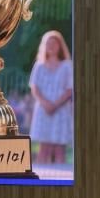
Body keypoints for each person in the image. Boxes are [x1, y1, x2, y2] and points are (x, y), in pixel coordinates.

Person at [29, 30, 73, 164]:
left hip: (61, 111)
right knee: (44, 148)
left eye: (54, 43)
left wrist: (55, 105)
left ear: (60, 45)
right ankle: (42, 176)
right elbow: (34, 88)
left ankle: (61, 176)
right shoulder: (39, 65)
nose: (51, 46)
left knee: (59, 148)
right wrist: (46, 104)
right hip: (43, 110)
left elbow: (70, 89)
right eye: (48, 43)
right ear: (44, 46)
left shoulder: (67, 65)